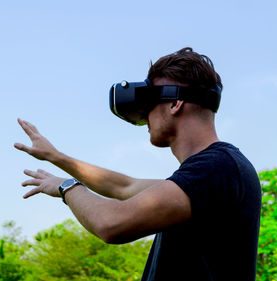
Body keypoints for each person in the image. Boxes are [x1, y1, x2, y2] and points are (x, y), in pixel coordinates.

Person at [14, 47, 261, 281]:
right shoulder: (214, 172)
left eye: (150, 104)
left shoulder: (217, 168)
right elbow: (123, 186)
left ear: (175, 103)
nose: (144, 116)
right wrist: (56, 157)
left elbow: (110, 224)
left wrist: (66, 186)